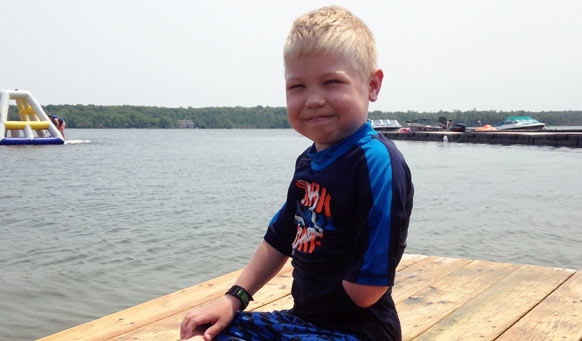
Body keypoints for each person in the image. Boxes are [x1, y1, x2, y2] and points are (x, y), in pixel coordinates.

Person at [180, 6, 413, 341]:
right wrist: (234, 299)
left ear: (372, 85)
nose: (313, 99)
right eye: (297, 86)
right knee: (204, 332)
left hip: (359, 331)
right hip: (304, 320)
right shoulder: (308, 162)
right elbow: (281, 234)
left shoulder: (375, 161)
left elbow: (369, 288)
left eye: (331, 82)